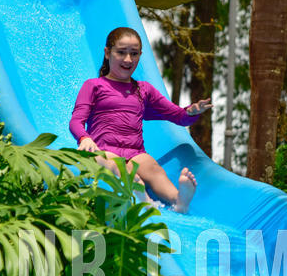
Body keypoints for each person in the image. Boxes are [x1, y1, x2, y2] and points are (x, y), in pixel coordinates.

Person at [69, 27, 212, 213]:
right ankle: (144, 199)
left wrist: (191, 112)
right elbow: (76, 120)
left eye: (134, 54)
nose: (128, 59)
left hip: (135, 152)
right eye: (121, 52)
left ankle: (179, 201)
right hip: (103, 149)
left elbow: (177, 116)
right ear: (107, 53)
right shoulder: (94, 86)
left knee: (153, 169)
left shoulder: (144, 90)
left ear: (140, 55)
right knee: (116, 165)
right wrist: (84, 138)